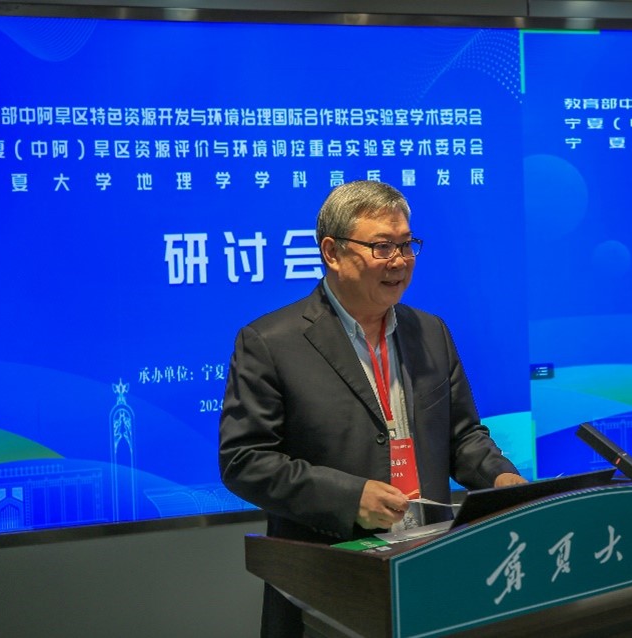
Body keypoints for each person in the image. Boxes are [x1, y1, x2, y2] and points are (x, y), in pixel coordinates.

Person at [219, 180, 525, 637]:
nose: (399, 261)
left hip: (429, 564)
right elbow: (244, 461)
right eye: (382, 247)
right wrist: (350, 498)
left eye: (406, 244)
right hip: (330, 580)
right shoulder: (271, 342)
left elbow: (462, 437)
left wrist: (502, 480)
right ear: (333, 252)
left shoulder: (431, 332)